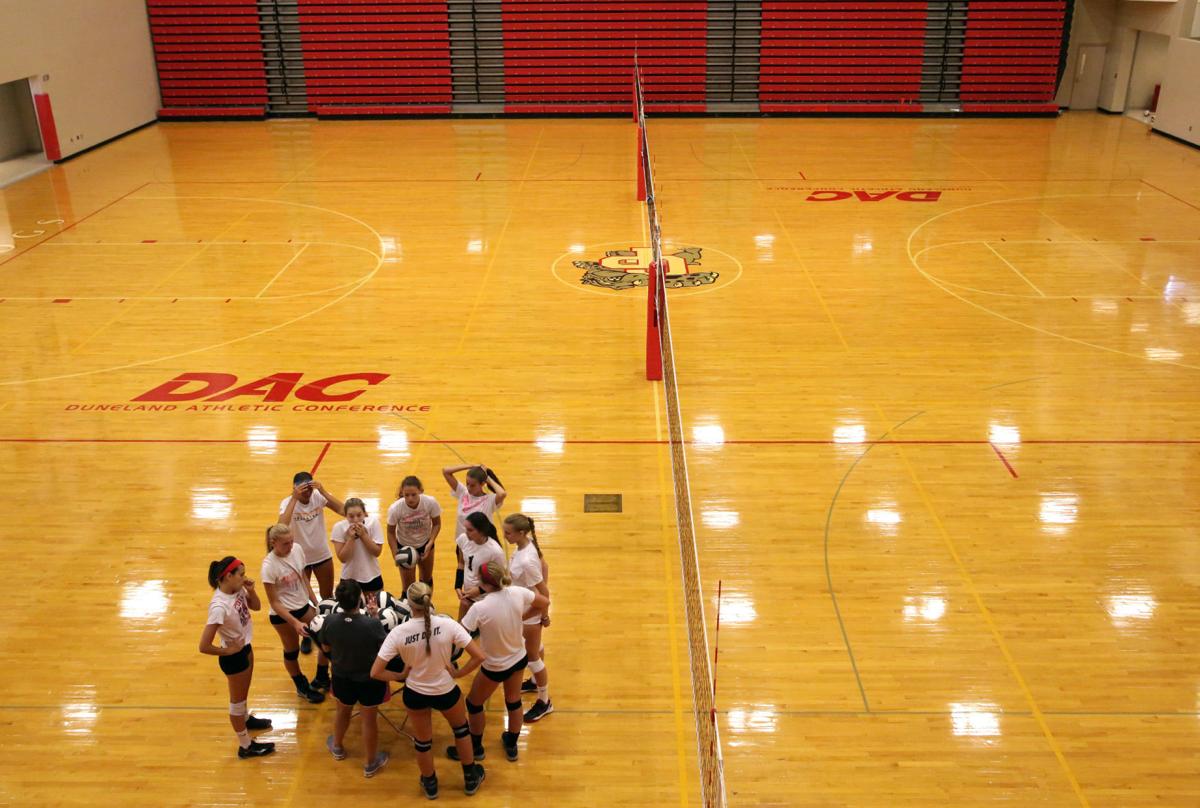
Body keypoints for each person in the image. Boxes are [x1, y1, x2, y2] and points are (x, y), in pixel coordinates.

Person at [371, 582, 488, 800]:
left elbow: (375, 672)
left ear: (408, 604)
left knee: (423, 741)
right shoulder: (448, 625)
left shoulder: (398, 633)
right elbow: (479, 656)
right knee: (461, 731)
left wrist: (399, 676)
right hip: (445, 690)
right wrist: (459, 674)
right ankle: (471, 777)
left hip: (415, 693)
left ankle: (430, 783)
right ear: (429, 600)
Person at [452, 560, 549, 762]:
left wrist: (466, 607)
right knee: (513, 701)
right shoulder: (516, 592)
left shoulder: (480, 608)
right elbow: (544, 602)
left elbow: (460, 634)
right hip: (518, 659)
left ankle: (476, 746)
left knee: (474, 703)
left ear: (482, 582)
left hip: (494, 666)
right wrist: (522, 617)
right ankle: (512, 745)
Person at [198, 555, 275, 759]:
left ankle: (246, 719)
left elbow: (256, 607)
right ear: (227, 576)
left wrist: (250, 590)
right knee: (237, 702)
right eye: (240, 574)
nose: (244, 577)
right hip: (234, 657)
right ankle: (245, 745)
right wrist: (227, 651)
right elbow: (203, 646)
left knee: (244, 694)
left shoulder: (236, 589)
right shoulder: (218, 607)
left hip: (245, 647)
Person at [317, 579, 390, 778]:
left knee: (342, 712)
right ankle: (370, 763)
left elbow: (325, 648)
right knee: (369, 721)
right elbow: (384, 650)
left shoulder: (330, 621)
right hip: (370, 681)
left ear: (339, 601)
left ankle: (338, 747)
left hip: (341, 677)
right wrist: (375, 615)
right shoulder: (372, 625)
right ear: (360, 599)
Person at [279, 471, 345, 663]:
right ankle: (306, 636)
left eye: (309, 489)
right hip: (300, 560)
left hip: (322, 555)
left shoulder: (318, 497)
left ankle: (328, 632)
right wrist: (294, 498)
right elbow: (281, 526)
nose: (306, 494)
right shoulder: (287, 502)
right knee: (303, 601)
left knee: (327, 598)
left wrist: (323, 491)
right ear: (295, 488)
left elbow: (342, 509)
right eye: (302, 490)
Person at [260, 524, 326, 704]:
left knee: (325, 640)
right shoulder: (268, 566)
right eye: (285, 544)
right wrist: (295, 623)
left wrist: (315, 601)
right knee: (291, 651)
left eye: (291, 541)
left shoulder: (296, 549)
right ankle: (301, 686)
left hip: (303, 606)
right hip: (282, 615)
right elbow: (274, 602)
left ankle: (322, 676)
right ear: (273, 543)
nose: (290, 546)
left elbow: (303, 577)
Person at [503, 513, 553, 722]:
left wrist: (542, 616)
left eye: (508, 532)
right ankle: (534, 682)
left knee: (532, 657)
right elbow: (546, 567)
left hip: (528, 613)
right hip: (524, 609)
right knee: (535, 647)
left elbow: (544, 594)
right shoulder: (526, 545)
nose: (505, 536)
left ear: (521, 533)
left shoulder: (526, 561)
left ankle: (545, 701)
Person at [386, 476, 442, 594]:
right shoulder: (395, 508)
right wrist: (395, 553)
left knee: (426, 581)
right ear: (402, 493)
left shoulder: (430, 502)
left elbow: (437, 524)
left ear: (420, 491)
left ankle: (426, 608)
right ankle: (409, 611)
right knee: (408, 588)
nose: (410, 498)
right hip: (405, 547)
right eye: (406, 495)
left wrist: (431, 542)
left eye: (414, 494)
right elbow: (390, 532)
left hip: (425, 544)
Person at [454, 512, 506, 620]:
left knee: (482, 635)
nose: (466, 533)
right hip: (467, 597)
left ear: (482, 531)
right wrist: (458, 585)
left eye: (470, 530)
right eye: (466, 529)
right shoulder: (463, 539)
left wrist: (480, 590)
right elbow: (461, 563)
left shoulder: (495, 552)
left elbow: (501, 580)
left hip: (487, 599)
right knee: (461, 633)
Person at [331, 497, 386, 599]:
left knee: (375, 610)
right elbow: (343, 558)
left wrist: (364, 536)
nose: (355, 519)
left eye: (359, 515)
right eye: (351, 516)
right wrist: (351, 539)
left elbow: (377, 552)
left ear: (365, 513)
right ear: (345, 515)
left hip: (372, 575)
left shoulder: (374, 523)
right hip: (349, 577)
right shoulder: (338, 528)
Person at [442, 463, 506, 539]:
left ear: (482, 484)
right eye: (467, 484)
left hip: (480, 545)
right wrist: (471, 466)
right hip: (463, 543)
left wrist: (487, 478)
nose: (468, 488)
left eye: (472, 485)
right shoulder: (463, 492)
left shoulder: (489, 500)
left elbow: (502, 494)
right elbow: (446, 471)